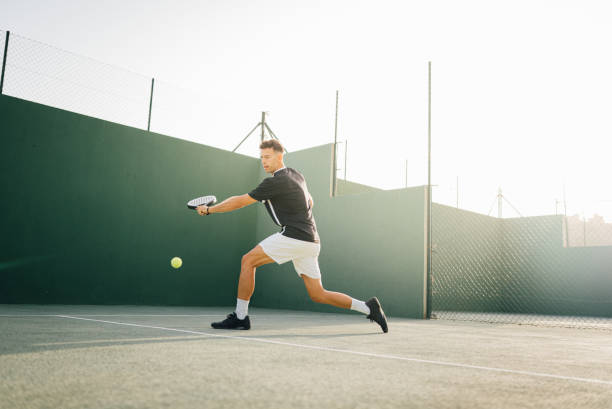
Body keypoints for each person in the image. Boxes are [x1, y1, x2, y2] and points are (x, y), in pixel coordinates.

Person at [196, 139, 388, 333]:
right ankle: (368, 307)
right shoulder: (296, 175)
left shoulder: (275, 182)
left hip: (294, 236)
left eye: (268, 157)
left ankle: (240, 317)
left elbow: (240, 201)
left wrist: (210, 210)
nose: (264, 161)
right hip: (311, 240)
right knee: (318, 294)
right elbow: (310, 201)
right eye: (262, 157)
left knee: (248, 261)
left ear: (280, 156)